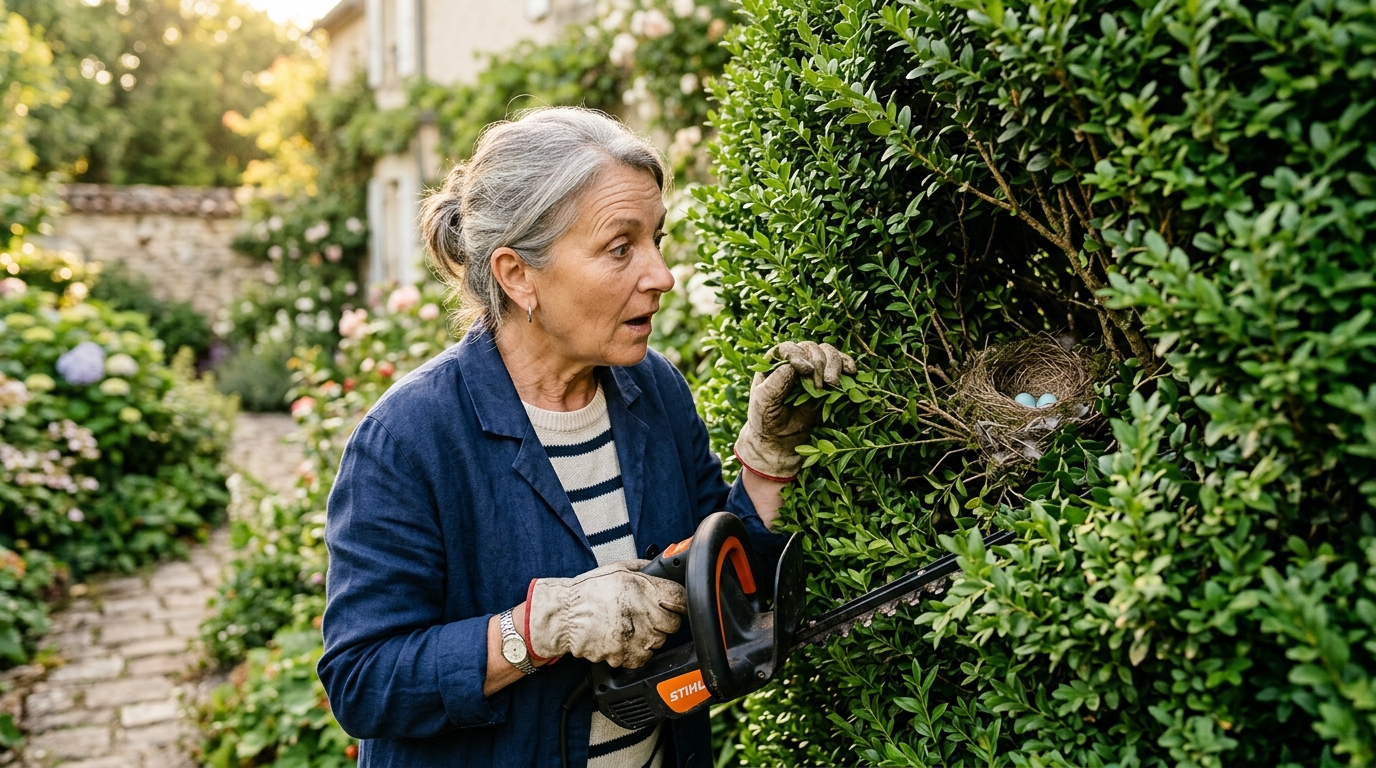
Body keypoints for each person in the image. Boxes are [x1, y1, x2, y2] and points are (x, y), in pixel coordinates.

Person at [317, 107, 856, 768]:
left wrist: (767, 461)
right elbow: (364, 680)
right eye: (621, 247)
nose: (661, 275)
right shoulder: (409, 440)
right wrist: (544, 626)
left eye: (656, 239)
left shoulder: (653, 392)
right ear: (518, 276)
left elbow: (715, 580)